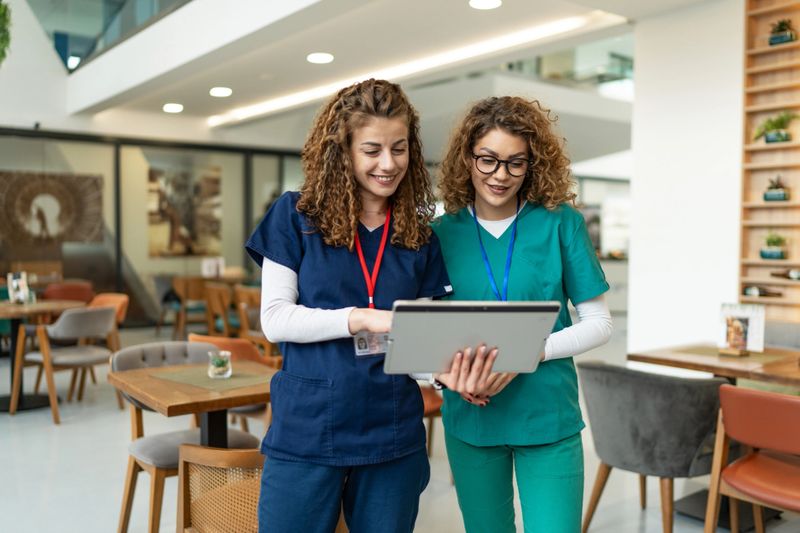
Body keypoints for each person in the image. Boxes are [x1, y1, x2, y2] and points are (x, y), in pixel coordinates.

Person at [245, 79, 460, 533]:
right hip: (307, 430)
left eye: (399, 149)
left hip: (392, 433)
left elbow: (418, 345)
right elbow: (275, 320)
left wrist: (446, 373)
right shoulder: (294, 217)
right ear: (342, 150)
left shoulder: (419, 236)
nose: (389, 164)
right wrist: (360, 318)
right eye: (372, 150)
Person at [432, 96, 614, 533]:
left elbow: (600, 324)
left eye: (516, 163)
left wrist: (523, 352)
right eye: (488, 160)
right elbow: (426, 333)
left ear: (533, 165)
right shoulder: (438, 235)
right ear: (467, 158)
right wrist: (448, 374)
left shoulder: (560, 223)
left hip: (547, 416)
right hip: (472, 415)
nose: (500, 175)